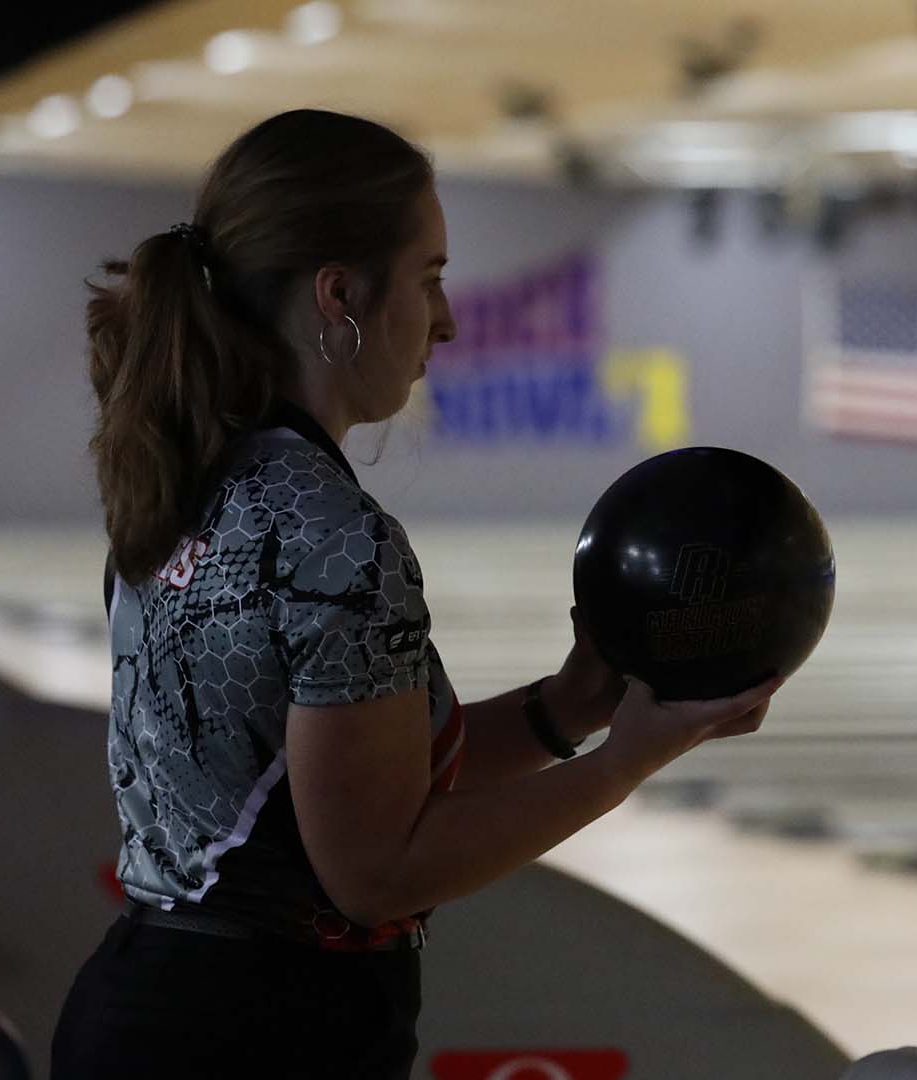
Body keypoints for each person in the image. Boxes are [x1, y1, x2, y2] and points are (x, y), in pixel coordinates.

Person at [50, 109, 780, 1079]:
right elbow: (374, 871)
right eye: (430, 277)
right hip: (265, 1038)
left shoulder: (190, 481)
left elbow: (345, 781)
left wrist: (563, 711)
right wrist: (621, 769)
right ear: (340, 294)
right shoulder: (338, 540)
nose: (447, 318)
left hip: (149, 1005)